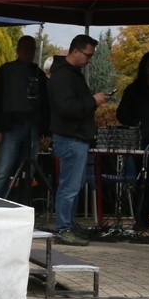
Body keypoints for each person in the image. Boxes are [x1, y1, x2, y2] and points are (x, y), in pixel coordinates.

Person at [47, 34, 110, 247]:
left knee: (74, 185)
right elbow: (67, 107)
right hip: (70, 137)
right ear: (75, 51)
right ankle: (64, 228)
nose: (89, 60)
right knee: (69, 187)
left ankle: (69, 224)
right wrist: (93, 100)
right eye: (88, 55)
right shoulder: (63, 76)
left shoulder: (71, 74)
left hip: (76, 137)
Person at [0, 34, 50, 200]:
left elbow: (45, 103)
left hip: (33, 127)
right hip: (10, 127)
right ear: (18, 50)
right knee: (4, 171)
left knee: (29, 171)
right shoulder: (6, 71)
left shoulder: (38, 74)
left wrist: (46, 131)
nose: (29, 52)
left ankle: (24, 203)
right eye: (26, 48)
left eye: (32, 49)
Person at [116, 51, 149, 233]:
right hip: (143, 142)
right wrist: (137, 123)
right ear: (144, 67)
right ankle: (141, 222)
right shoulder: (134, 89)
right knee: (144, 182)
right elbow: (121, 114)